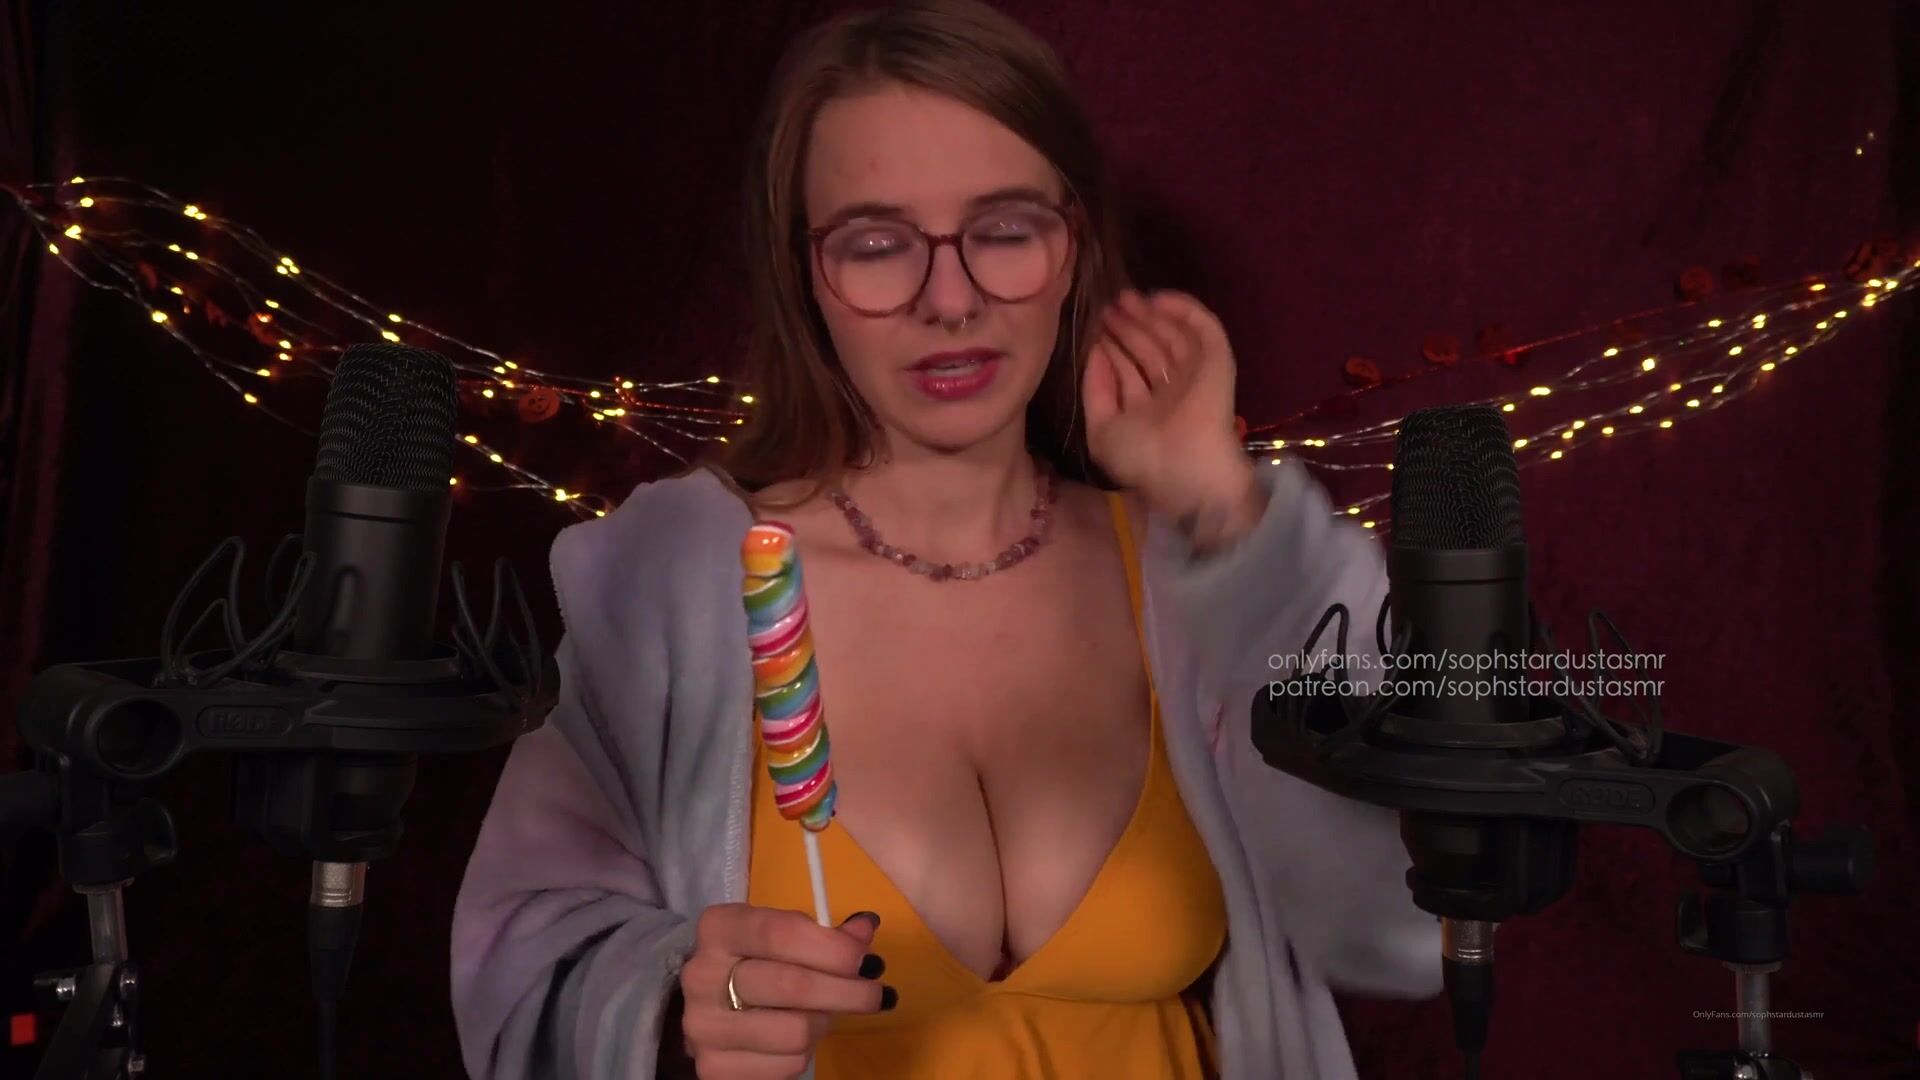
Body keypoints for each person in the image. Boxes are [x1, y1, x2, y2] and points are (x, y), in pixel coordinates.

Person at [450, 2, 1440, 1077]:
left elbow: (1396, 926)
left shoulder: (1187, 574)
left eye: (1004, 230)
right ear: (804, 276)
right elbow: (521, 964)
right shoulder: (673, 588)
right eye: (877, 245)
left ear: (1075, 246)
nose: (951, 300)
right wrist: (678, 1007)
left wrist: (1226, 518)